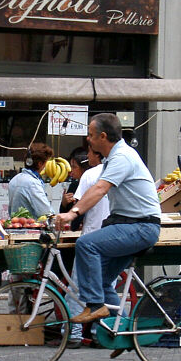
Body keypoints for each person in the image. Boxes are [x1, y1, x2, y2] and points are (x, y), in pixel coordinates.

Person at [55, 113, 161, 324]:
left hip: (141, 227)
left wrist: (72, 213)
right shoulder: (113, 158)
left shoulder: (122, 157)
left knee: (86, 244)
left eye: (90, 135)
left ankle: (95, 305)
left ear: (102, 137)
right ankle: (122, 331)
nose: (88, 139)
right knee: (103, 282)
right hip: (129, 225)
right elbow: (96, 187)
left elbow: (101, 189)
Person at [65, 145, 111, 347]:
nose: (88, 156)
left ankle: (73, 333)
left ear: (97, 155)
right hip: (114, 237)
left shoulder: (90, 175)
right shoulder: (117, 172)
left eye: (91, 152)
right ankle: (101, 332)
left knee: (77, 287)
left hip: (91, 237)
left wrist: (67, 210)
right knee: (105, 287)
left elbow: (78, 205)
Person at [8, 142, 54, 218]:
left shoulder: (15, 179)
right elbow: (45, 212)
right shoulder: (32, 183)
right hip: (31, 228)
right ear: (40, 164)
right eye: (46, 162)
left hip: (16, 225)